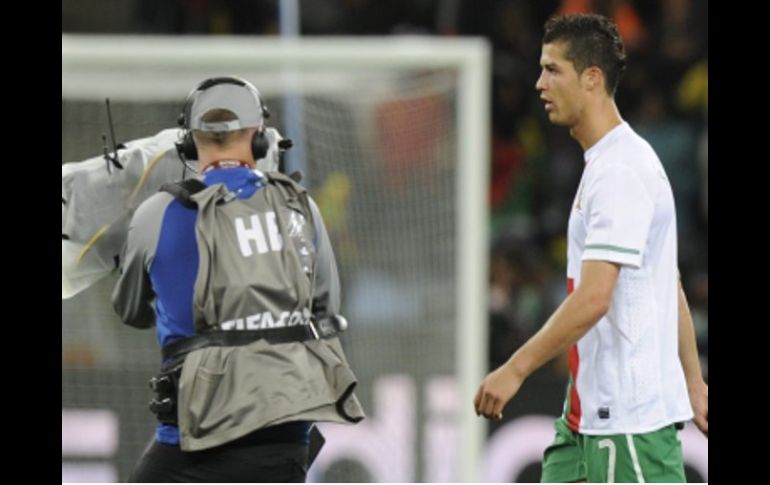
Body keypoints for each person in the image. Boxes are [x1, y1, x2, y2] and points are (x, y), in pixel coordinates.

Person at [473, 14, 707, 483]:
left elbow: (596, 297)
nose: (539, 84)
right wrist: (694, 381)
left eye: (553, 70)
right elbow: (669, 282)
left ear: (592, 78)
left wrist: (515, 369)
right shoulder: (606, 164)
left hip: (627, 424)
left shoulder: (620, 172)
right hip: (585, 419)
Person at [112, 75, 364, 482]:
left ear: (189, 142)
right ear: (261, 138)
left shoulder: (157, 213)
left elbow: (129, 312)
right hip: (286, 425)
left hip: (197, 429)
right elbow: (326, 308)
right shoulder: (301, 207)